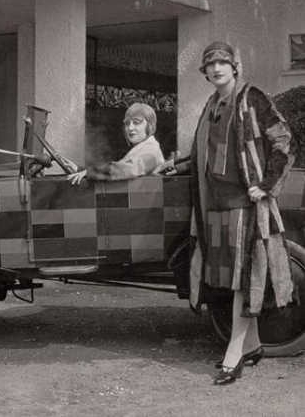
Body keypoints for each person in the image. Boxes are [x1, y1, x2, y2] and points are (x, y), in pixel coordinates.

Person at [163, 41, 295, 385]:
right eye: (211, 64)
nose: (217, 68)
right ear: (205, 73)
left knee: (244, 281)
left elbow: (282, 140)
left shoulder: (253, 99)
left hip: (245, 208)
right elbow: (207, 154)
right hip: (214, 208)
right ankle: (251, 346)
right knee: (228, 282)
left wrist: (266, 184)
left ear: (235, 66)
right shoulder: (212, 104)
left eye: (223, 62)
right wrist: (177, 165)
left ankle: (233, 354)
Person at [67, 103, 164, 184]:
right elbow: (119, 173)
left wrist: (90, 172)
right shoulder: (142, 148)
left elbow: (126, 170)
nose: (130, 128)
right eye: (127, 123)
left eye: (136, 122)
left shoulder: (151, 152)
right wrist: (80, 170)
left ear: (149, 125)